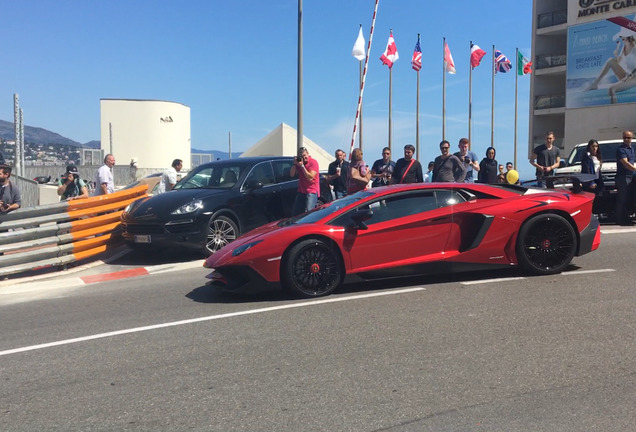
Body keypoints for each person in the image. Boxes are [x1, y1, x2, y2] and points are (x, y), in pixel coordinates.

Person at [586, 29, 636, 94]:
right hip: (626, 75)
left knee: (611, 89)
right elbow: (619, 62)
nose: (621, 38)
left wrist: (629, 76)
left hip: (634, 77)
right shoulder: (624, 47)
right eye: (621, 37)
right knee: (610, 60)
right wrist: (616, 55)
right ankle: (594, 84)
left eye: (623, 36)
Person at [290, 147, 320, 216]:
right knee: (296, 213)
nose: (304, 158)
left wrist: (302, 166)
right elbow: (292, 175)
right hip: (301, 190)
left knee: (308, 212)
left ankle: (311, 226)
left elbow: (310, 178)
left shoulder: (313, 162)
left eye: (305, 155)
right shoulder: (299, 163)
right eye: (301, 156)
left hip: (311, 190)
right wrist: (294, 164)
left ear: (308, 154)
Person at [615, 130, 636, 225]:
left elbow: (632, 161)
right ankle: (620, 219)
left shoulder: (631, 149)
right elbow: (625, 163)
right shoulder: (621, 149)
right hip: (623, 177)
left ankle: (627, 218)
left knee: (630, 198)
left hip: (632, 176)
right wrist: (634, 169)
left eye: (628, 137)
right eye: (625, 138)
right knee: (622, 198)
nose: (626, 139)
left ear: (632, 138)